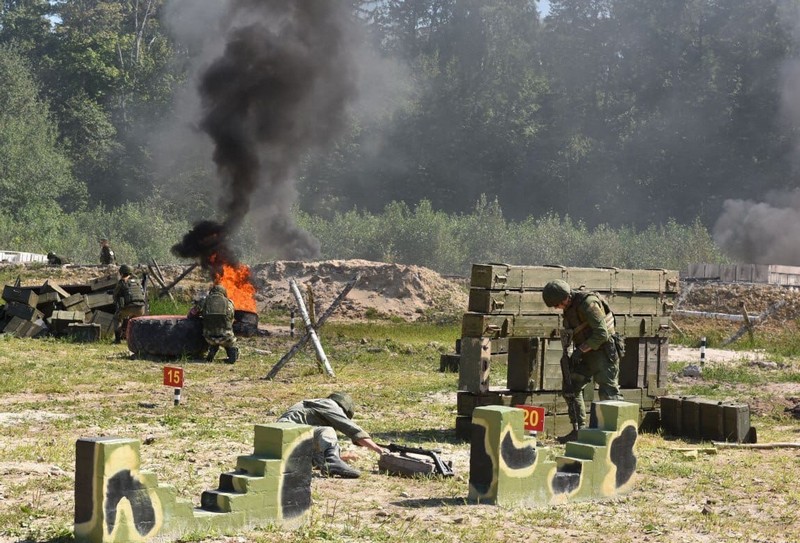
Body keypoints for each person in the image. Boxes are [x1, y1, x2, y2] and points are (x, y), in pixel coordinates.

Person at [542, 280, 624, 443]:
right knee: (571, 387)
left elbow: (602, 334)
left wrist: (580, 351)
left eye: (557, 304)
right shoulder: (570, 307)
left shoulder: (588, 303)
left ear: (565, 297)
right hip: (586, 353)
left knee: (608, 393)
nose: (557, 308)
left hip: (603, 353)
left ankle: (615, 438)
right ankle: (578, 430)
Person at [277, 392, 384, 478]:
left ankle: (333, 461)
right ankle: (333, 462)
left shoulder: (314, 404)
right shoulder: (330, 405)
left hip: (280, 439)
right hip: (289, 434)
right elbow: (352, 429)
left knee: (319, 454)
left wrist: (342, 457)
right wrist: (378, 449)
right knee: (327, 430)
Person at [200, 284, 238, 364]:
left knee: (213, 339)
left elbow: (193, 313)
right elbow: (231, 318)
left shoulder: (204, 301)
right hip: (226, 337)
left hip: (209, 337)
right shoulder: (229, 303)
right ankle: (231, 355)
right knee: (230, 343)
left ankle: (212, 350)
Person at [113, 264, 146, 343]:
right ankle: (137, 338)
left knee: (117, 318)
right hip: (141, 309)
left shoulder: (122, 282)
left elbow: (115, 295)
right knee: (135, 320)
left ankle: (117, 340)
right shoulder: (138, 281)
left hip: (129, 307)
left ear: (122, 273)